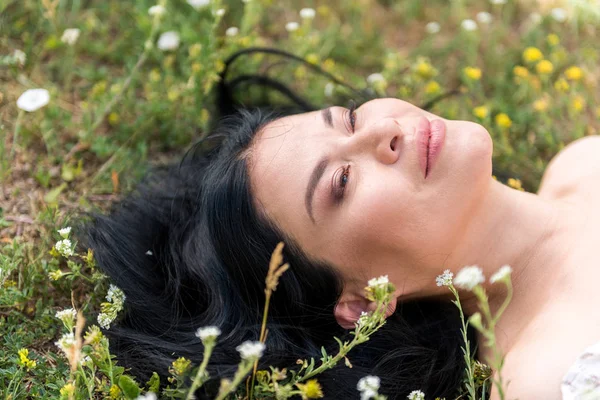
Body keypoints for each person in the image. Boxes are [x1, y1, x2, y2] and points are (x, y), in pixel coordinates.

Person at [79, 48, 600, 400]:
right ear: (366, 300)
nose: (384, 132)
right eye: (341, 182)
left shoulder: (581, 163)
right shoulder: (549, 377)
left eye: (350, 118)